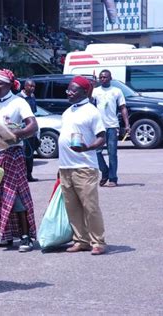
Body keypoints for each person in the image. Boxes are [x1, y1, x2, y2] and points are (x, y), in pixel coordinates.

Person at [0, 69, 38, 252]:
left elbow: (33, 125)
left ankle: (25, 236)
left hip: (12, 154)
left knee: (16, 196)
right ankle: (2, 236)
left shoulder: (19, 102)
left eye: (0, 83)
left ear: (9, 85)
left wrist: (16, 134)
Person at [58, 76, 107, 255]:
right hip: (65, 167)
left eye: (73, 90)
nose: (68, 92)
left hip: (84, 167)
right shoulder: (68, 111)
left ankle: (98, 242)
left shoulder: (91, 111)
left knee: (90, 206)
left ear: (85, 92)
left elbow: (102, 137)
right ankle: (81, 240)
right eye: (68, 90)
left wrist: (88, 147)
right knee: (72, 207)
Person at [92, 69, 129, 187]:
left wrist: (127, 124)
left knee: (112, 153)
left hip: (112, 126)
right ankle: (105, 171)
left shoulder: (117, 91)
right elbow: (89, 105)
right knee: (96, 152)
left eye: (105, 77)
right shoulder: (95, 91)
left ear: (110, 78)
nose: (103, 79)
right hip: (98, 127)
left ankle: (113, 178)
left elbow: (123, 108)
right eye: (101, 77)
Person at [18, 79, 40, 182]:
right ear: (25, 86)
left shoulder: (32, 97)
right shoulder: (19, 98)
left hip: (31, 130)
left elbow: (33, 114)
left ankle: (29, 175)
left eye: (34, 86)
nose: (32, 88)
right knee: (23, 154)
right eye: (30, 86)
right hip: (22, 130)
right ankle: (22, 176)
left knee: (30, 154)